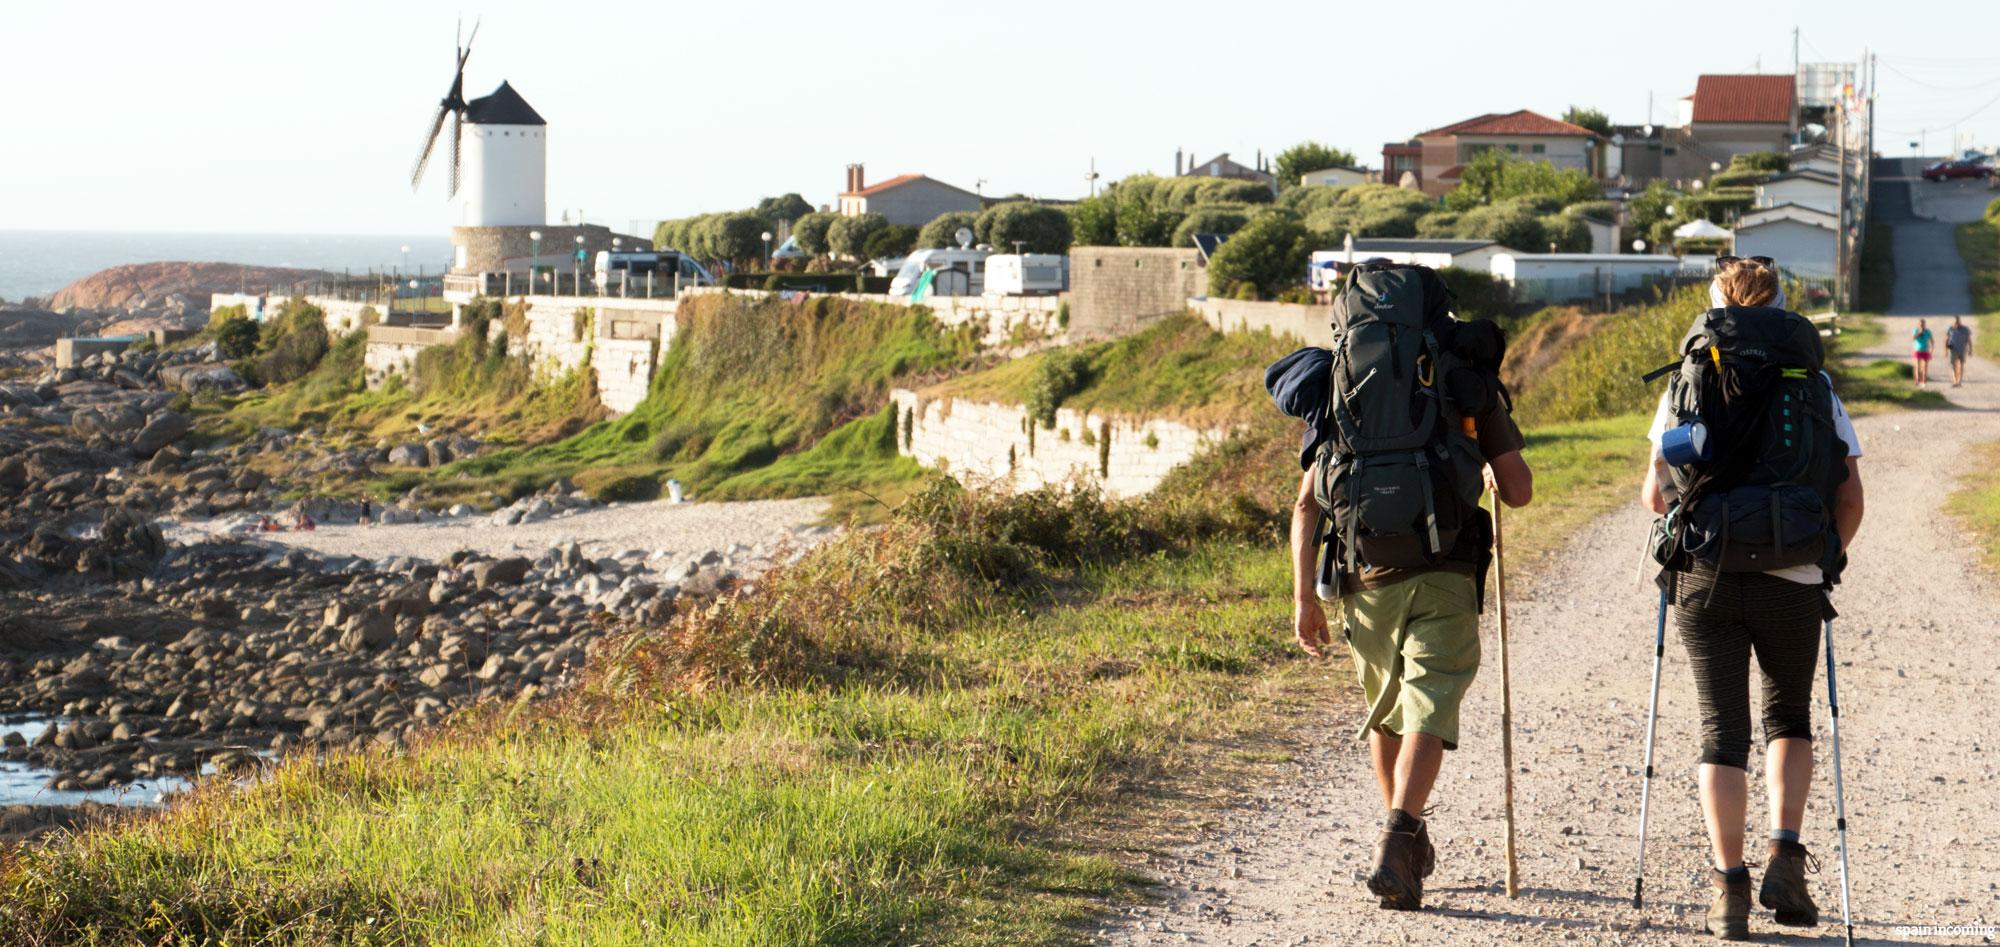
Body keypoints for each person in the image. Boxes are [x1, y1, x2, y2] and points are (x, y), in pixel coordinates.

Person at [1277, 263, 1534, 912]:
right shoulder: (1461, 369)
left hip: (1363, 569)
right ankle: (1400, 833)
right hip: (1444, 562)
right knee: (1431, 700)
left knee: (1388, 709)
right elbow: (1520, 488)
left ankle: (1404, 838)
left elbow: (1308, 504)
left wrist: (1305, 596)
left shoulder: (1340, 374)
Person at [1640, 260, 1865, 940]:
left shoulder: (1688, 378)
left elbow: (1657, 495)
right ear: (1784, 307)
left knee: (1721, 731)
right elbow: (1850, 495)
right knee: (1789, 717)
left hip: (1704, 575)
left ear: (1714, 306)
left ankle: (1728, 890)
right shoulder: (1813, 382)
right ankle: (1785, 857)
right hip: (1794, 574)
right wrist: (1826, 557)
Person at [1946, 316, 1973, 387]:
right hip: (1953, 350)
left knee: (1961, 365)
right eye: (1955, 321)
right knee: (1953, 365)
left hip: (1963, 350)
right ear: (1953, 322)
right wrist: (1945, 351)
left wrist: (1970, 350)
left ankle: (1959, 381)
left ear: (1960, 321)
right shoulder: (1950, 329)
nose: (1956, 323)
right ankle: (1955, 381)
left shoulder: (1965, 329)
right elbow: (1946, 340)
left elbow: (1969, 340)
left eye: (1957, 321)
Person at [1912, 319, 1935, 387]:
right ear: (1918, 324)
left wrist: (1931, 349)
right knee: (1917, 366)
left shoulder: (1928, 331)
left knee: (1924, 367)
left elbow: (1932, 341)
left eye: (1923, 324)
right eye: (1920, 324)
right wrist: (1919, 333)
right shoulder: (1915, 330)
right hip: (1917, 351)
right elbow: (1913, 338)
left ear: (1925, 324)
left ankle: (1923, 381)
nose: (1922, 325)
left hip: (1925, 350)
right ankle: (1917, 380)